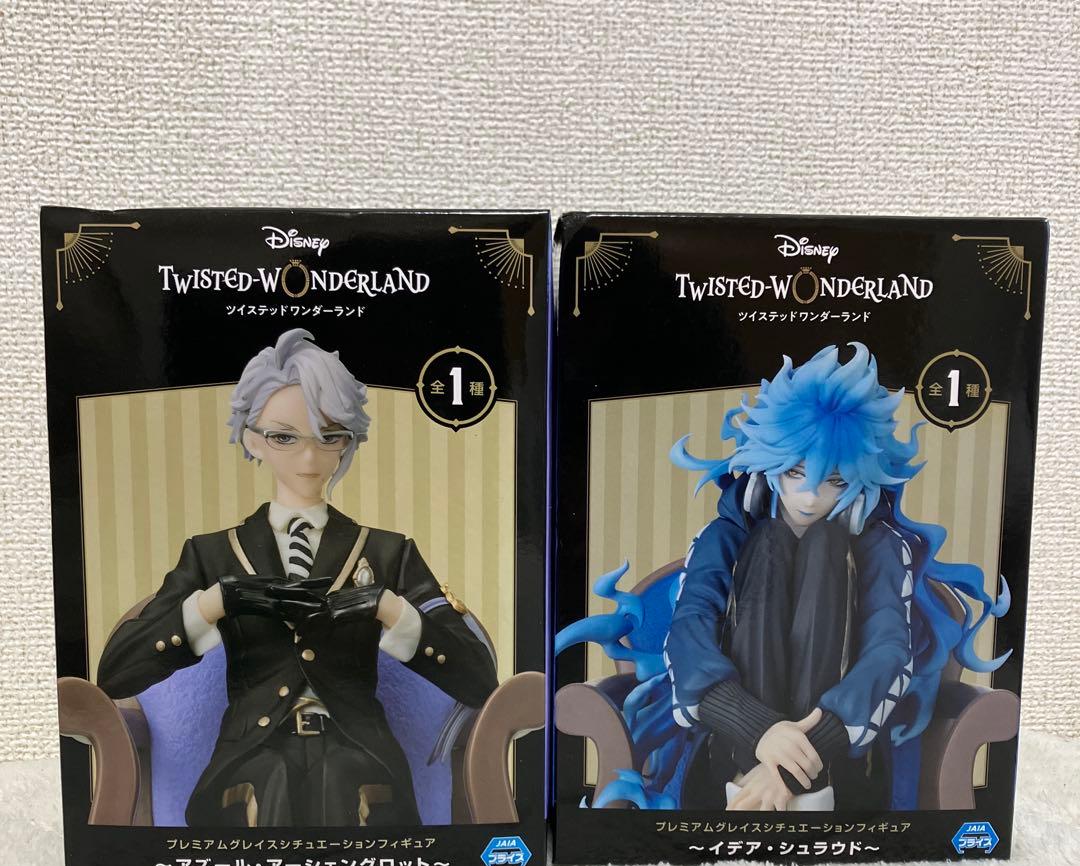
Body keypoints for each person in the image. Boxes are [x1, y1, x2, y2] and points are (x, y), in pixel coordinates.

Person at [556, 342, 1009, 812]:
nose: (810, 497)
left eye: (835, 481)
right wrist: (759, 731)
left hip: (841, 773)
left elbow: (888, 651)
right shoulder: (724, 537)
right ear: (771, 467)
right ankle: (754, 776)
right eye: (795, 473)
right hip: (728, 761)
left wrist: (790, 768)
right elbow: (689, 634)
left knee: (827, 543)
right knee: (770, 542)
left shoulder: (882, 547)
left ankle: (779, 787)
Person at [96, 328, 498, 827]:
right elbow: (116, 673)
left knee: (340, 778)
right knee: (270, 782)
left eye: (329, 437)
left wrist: (391, 609)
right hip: (249, 755)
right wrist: (214, 603)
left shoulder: (388, 551)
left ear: (348, 441)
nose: (309, 457)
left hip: (360, 753)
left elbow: (479, 678)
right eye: (284, 437)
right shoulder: (212, 553)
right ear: (252, 439)